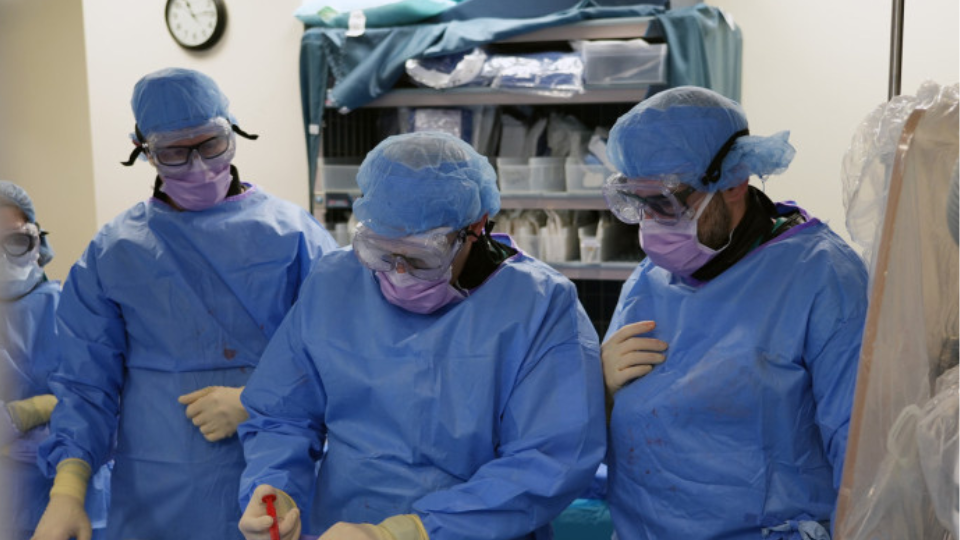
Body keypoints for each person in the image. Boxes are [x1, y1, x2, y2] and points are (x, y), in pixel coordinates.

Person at [236, 131, 606, 540]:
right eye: (379, 251)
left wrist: (415, 531)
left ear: (476, 228)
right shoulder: (334, 282)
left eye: (420, 257)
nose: (397, 272)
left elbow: (549, 458)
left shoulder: (538, 305)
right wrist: (275, 488)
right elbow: (282, 413)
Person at [32, 68, 339, 540]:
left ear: (233, 130)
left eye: (211, 144)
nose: (198, 166)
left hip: (278, 481)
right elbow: (85, 383)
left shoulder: (295, 236)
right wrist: (68, 493)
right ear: (144, 151)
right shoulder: (115, 252)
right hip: (157, 496)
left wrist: (255, 403)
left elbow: (337, 357)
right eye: (174, 152)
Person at [599, 86, 869, 539]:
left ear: (734, 181)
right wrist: (599, 391)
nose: (652, 225)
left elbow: (862, 456)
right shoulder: (649, 280)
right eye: (639, 203)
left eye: (667, 202)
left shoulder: (822, 277)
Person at [0, 182, 109, 540]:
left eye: (14, 241)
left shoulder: (74, 312)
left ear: (37, 244)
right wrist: (32, 411)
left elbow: (107, 410)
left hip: (83, 502)